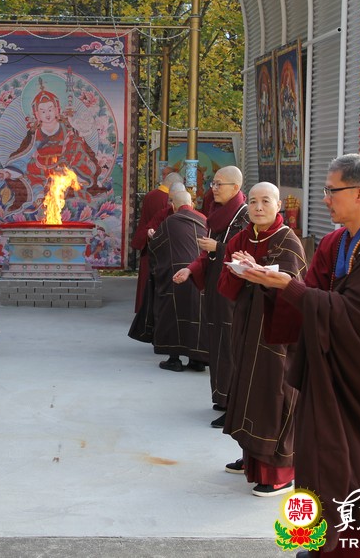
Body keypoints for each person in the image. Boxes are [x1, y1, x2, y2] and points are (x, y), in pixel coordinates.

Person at [241, 153, 360, 553]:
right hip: (328, 374)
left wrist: (289, 287)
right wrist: (273, 283)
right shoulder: (336, 243)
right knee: (317, 462)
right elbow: (311, 293)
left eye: (332, 191)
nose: (325, 199)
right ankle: (317, 541)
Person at [215, 182, 306, 498]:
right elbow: (225, 289)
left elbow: (294, 289)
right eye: (253, 201)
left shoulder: (287, 241)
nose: (258, 207)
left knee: (273, 393)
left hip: (276, 331)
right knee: (246, 387)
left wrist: (259, 274)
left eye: (265, 201)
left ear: (278, 205)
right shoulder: (241, 239)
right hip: (245, 325)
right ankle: (252, 457)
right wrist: (237, 273)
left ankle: (279, 472)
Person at [172, 166, 248, 424]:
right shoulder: (217, 214)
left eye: (219, 184)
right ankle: (223, 397)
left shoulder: (243, 216)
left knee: (230, 345)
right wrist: (190, 269)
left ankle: (234, 407)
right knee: (216, 342)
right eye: (213, 183)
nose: (213, 188)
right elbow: (206, 255)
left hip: (234, 292)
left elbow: (248, 255)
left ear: (236, 188)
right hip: (216, 288)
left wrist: (219, 247)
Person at [130, 188, 208, 372]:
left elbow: (156, 247)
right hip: (199, 274)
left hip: (175, 276)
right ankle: (197, 360)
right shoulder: (204, 219)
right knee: (197, 316)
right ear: (192, 203)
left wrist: (152, 238)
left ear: (173, 205)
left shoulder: (170, 221)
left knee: (173, 315)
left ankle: (174, 359)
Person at [0, 80, 106, 213]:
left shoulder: (67, 129)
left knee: (76, 153)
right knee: (30, 174)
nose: (47, 114)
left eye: (50, 109)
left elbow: (79, 149)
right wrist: (9, 172)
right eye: (43, 111)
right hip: (40, 168)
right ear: (36, 114)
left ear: (57, 110)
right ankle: (39, 196)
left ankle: (70, 186)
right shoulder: (34, 133)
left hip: (64, 165)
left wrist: (70, 152)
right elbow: (25, 154)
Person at [132, 172, 183, 313]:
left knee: (145, 280)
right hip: (159, 247)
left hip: (147, 240)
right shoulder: (165, 200)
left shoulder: (150, 195)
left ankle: (143, 312)